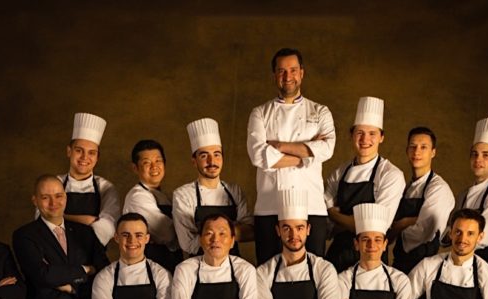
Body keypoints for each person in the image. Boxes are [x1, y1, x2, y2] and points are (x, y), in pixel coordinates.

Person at [247, 47, 335, 265]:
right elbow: (258, 155)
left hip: (311, 207)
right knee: (267, 272)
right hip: (270, 207)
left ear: (302, 73)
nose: (288, 76)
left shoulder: (320, 111)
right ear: (274, 75)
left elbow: (326, 149)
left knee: (314, 271)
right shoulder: (260, 113)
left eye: (293, 70)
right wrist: (306, 156)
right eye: (282, 71)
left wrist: (278, 146)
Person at [324, 96, 404, 271]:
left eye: (372, 133)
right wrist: (349, 222)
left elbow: (376, 227)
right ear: (351, 135)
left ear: (382, 137)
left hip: (371, 259)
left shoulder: (391, 175)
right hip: (338, 255)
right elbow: (326, 226)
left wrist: (335, 215)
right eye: (360, 132)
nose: (365, 139)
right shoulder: (339, 172)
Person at [173, 118, 253, 257]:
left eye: (217, 154)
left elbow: (251, 232)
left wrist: (208, 233)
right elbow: (188, 243)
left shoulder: (234, 191)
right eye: (204, 156)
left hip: (233, 265)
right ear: (194, 161)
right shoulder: (183, 195)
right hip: (199, 265)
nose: (212, 161)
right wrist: (229, 233)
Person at [445, 117, 488, 269]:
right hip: (460, 263)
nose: (478, 159)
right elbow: (448, 232)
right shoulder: (463, 195)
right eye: (474, 154)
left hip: (485, 266)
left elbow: (484, 238)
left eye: (486, 155)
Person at [389, 126, 455, 274]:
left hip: (424, 266)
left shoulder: (439, 188)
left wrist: (401, 224)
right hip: (400, 262)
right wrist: (411, 220)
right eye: (412, 146)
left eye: (423, 147)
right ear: (407, 151)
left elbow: (425, 232)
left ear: (433, 152)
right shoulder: (407, 187)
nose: (417, 152)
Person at [54, 112, 120, 247]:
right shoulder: (55, 183)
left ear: (97, 157)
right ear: (69, 151)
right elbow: (42, 221)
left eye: (91, 153)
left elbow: (108, 227)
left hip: (93, 253)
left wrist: (62, 217)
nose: (85, 157)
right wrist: (88, 220)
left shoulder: (106, 187)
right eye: (79, 150)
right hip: (56, 254)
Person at [122, 139, 182, 272]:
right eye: (146, 163)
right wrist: (186, 231)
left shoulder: (163, 195)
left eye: (158, 161)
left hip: (169, 265)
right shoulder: (137, 197)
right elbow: (167, 234)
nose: (154, 167)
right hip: (148, 269)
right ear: (135, 168)